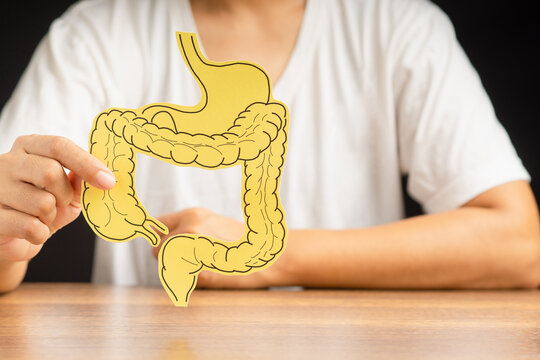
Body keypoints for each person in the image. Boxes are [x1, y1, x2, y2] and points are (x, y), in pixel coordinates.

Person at [0, 0, 538, 293]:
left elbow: (519, 244)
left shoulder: (399, 25)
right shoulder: (93, 32)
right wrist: (9, 223)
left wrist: (263, 258)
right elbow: (8, 238)